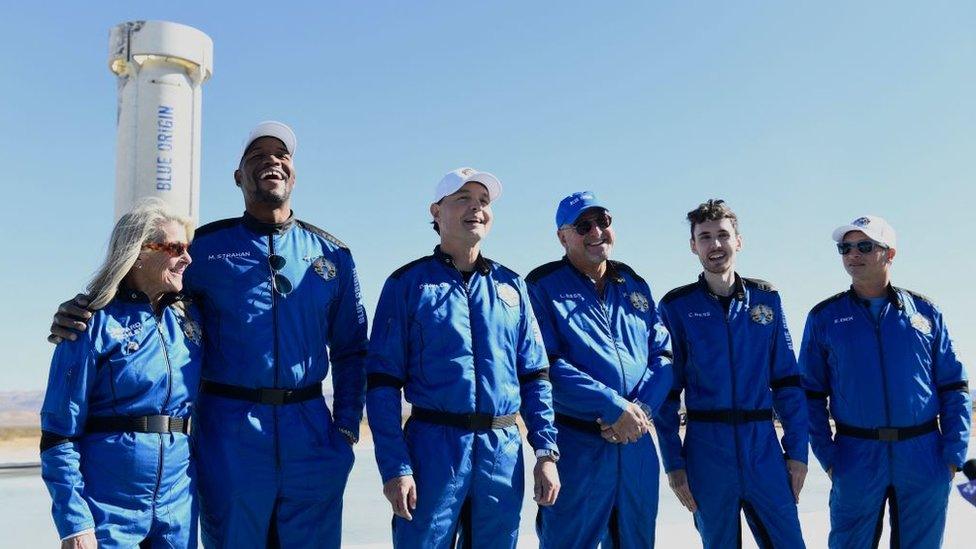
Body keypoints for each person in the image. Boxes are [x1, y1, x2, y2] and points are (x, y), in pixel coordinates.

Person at [48, 121, 369, 548]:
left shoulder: (333, 256)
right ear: (238, 177)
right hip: (228, 435)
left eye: (281, 155)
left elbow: (352, 350)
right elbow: (144, 287)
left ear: (294, 172)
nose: (271, 160)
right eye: (257, 155)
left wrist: (345, 429)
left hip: (310, 433)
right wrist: (85, 306)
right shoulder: (202, 249)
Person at [365, 167, 560, 548]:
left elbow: (535, 376)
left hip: (501, 450)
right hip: (433, 450)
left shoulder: (512, 287)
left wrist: (545, 452)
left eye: (484, 202)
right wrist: (395, 467)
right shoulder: (407, 285)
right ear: (436, 212)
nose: (477, 209)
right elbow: (382, 383)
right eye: (463, 200)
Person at [800, 215, 971, 548]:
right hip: (855, 455)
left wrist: (952, 456)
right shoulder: (825, 317)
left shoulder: (926, 313)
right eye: (845, 248)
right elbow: (809, 394)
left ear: (889, 254)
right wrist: (830, 458)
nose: (853, 254)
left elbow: (954, 387)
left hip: (924, 455)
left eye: (864, 246)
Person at [41, 199, 201, 548]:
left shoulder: (191, 321)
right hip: (108, 509)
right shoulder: (87, 324)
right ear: (139, 252)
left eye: (187, 248)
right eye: (175, 248)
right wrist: (74, 523)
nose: (187, 258)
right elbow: (57, 435)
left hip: (178, 506)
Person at [655, 199, 808, 548]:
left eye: (723, 235)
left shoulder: (766, 300)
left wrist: (797, 453)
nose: (716, 245)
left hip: (763, 450)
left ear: (739, 241)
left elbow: (787, 382)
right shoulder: (677, 307)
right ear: (693, 245)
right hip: (707, 453)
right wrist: (674, 464)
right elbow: (666, 394)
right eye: (705, 237)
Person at [525, 191, 673, 548]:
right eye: (583, 226)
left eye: (603, 222)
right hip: (580, 445)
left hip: (636, 444)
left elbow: (663, 357)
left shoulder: (635, 285)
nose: (596, 232)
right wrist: (612, 406)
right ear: (563, 237)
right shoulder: (542, 286)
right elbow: (543, 364)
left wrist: (640, 412)